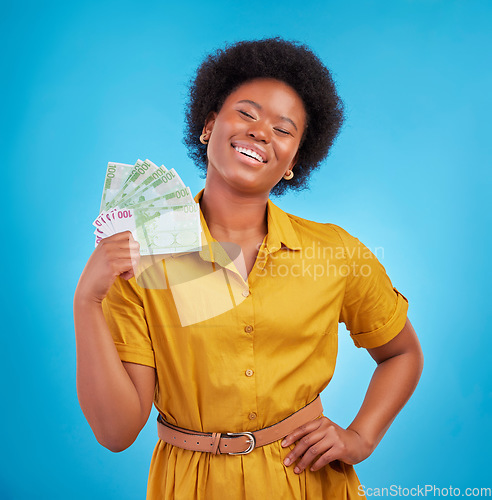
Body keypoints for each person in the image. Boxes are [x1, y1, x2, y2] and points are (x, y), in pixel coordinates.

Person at [74, 38, 424, 499]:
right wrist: (87, 301)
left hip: (309, 484)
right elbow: (116, 433)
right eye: (247, 113)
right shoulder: (143, 260)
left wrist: (361, 437)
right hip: (192, 485)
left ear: (294, 163)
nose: (261, 132)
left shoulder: (335, 252)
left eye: (284, 129)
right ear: (208, 125)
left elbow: (402, 353)